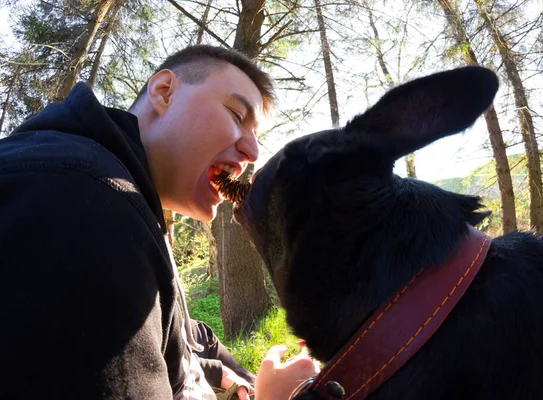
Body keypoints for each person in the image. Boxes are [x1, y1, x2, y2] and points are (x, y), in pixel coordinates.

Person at [0, 45, 319, 399]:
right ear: (164, 92)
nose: (253, 152)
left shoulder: (122, 196)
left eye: (256, 134)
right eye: (235, 114)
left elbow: (182, 332)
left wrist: (218, 370)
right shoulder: (90, 208)